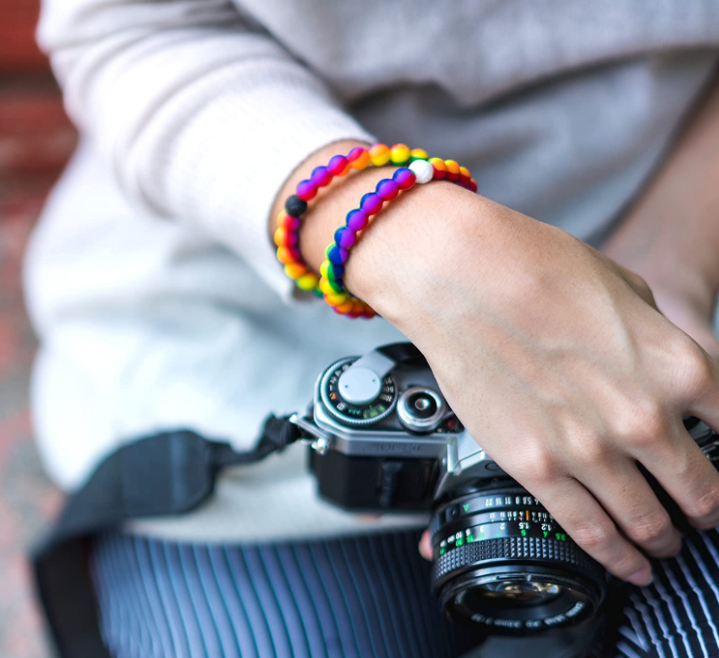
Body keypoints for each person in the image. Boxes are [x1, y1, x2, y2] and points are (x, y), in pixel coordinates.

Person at [25, 0, 719, 656]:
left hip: (669, 320)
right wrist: (435, 259)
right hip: (236, 335)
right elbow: (134, 30)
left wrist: (669, 269)